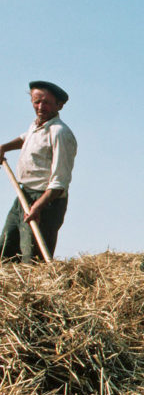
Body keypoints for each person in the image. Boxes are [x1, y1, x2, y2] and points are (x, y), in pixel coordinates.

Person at [0, 81, 77, 263]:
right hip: (23, 195)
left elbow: (60, 182)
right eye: (36, 102)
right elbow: (25, 139)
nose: (40, 107)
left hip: (46, 202)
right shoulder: (36, 126)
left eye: (46, 102)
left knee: (32, 258)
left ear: (59, 105)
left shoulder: (60, 133)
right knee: (6, 247)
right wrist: (4, 147)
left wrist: (38, 207)